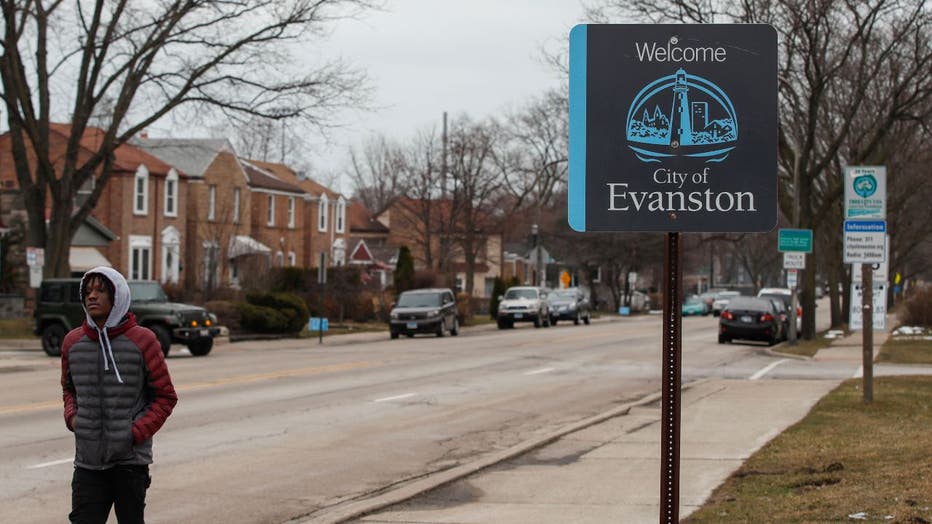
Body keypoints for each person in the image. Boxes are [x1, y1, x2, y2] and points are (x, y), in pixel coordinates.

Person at [60, 267, 178, 523]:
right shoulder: (72, 342)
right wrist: (73, 419)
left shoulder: (143, 340)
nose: (92, 296)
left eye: (101, 291)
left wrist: (134, 433)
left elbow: (165, 396)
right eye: (88, 291)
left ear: (118, 297)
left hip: (130, 462)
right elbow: (69, 389)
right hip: (88, 462)